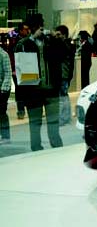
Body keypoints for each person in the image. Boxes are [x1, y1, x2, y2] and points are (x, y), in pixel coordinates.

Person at [14, 14, 71, 151]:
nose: (40, 28)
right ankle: (36, 149)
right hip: (33, 91)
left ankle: (57, 149)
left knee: (53, 123)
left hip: (51, 89)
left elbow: (66, 53)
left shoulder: (50, 41)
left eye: (41, 25)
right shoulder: (24, 43)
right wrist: (32, 38)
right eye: (36, 26)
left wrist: (58, 38)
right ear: (31, 28)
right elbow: (19, 57)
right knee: (35, 124)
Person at [0, 45, 11, 144]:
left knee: (2, 112)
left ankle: (6, 136)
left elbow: (8, 73)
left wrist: (3, 89)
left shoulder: (3, 55)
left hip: (2, 88)